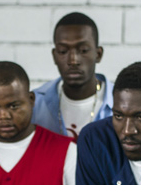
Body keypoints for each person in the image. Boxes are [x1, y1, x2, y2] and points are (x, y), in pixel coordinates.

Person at [31, 12, 113, 140]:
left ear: (98, 54)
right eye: (63, 51)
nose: (73, 60)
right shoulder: (34, 103)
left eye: (83, 50)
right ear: (54, 56)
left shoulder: (120, 103)